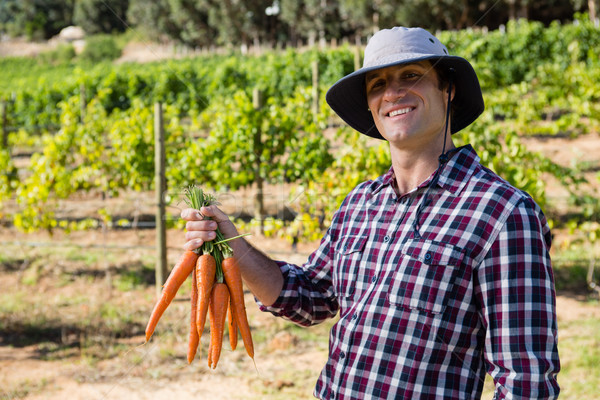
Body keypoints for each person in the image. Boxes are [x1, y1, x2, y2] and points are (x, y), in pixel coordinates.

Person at [181, 27, 560, 399]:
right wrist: (229, 238)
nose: (392, 93)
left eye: (411, 76)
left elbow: (525, 380)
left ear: (449, 89)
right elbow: (307, 297)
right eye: (377, 84)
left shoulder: (502, 213)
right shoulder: (361, 202)